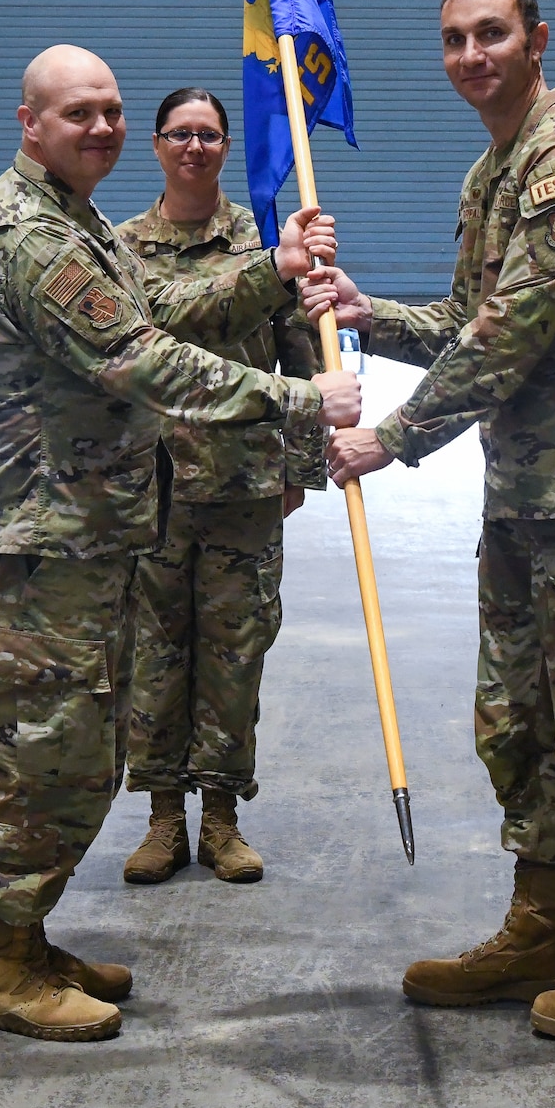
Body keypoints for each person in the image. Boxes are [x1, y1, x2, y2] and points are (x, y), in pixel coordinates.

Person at [303, 0, 555, 1043]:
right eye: (452, 39)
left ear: (535, 38)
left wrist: (389, 437)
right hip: (527, 489)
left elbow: (509, 333)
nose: (471, 54)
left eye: (491, 33)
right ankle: (539, 929)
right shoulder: (497, 168)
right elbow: (465, 318)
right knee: (518, 723)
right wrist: (365, 313)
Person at [0, 45, 360, 1042]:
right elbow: (141, 357)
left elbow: (162, 310)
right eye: (77, 112)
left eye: (112, 110)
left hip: (79, 534)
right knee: (46, 752)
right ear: (28, 121)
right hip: (38, 543)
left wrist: (274, 271)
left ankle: (26, 937)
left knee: (77, 744)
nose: (101, 127)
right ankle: (0, 965)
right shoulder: (34, 239)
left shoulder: (74, 223)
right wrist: (302, 396)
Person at [116, 88, 325, 885]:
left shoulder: (265, 237)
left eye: (208, 134)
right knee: (156, 657)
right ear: (159, 146)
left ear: (227, 146)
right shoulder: (125, 246)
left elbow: (301, 351)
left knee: (236, 656)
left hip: (244, 484)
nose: (194, 147)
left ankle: (223, 817)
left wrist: (300, 469)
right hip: (155, 489)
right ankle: (163, 817)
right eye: (180, 134)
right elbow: (143, 343)